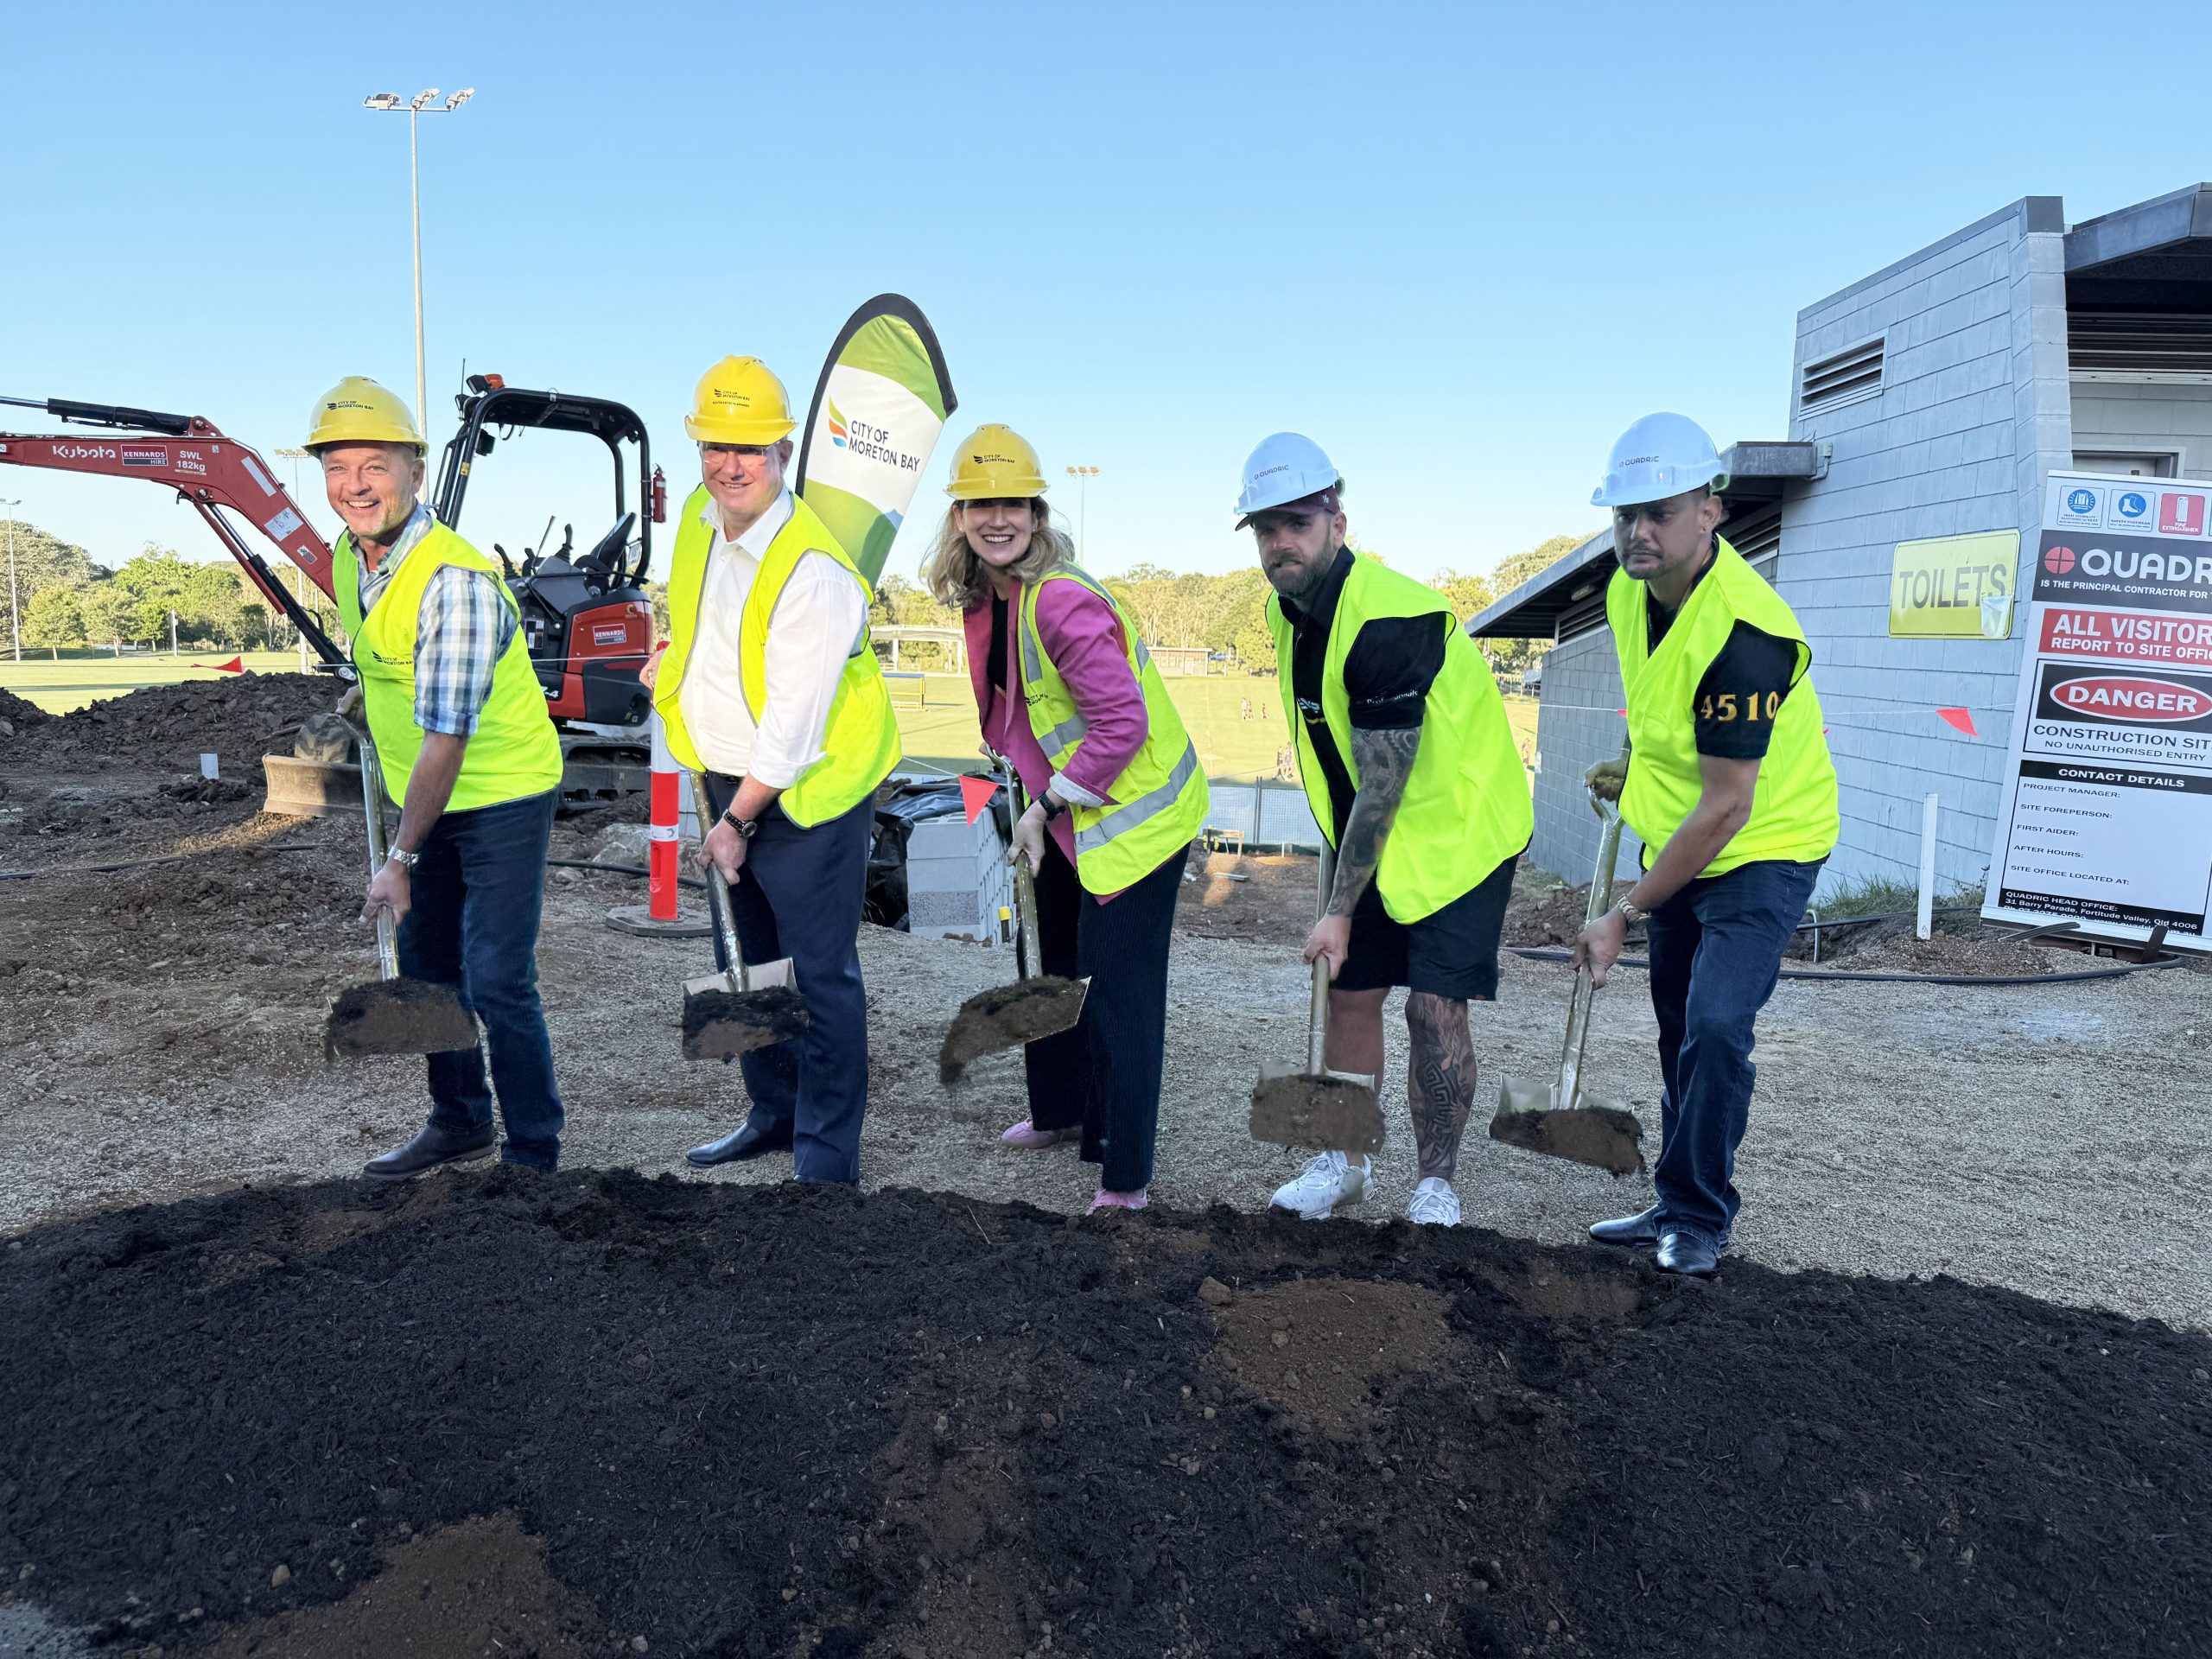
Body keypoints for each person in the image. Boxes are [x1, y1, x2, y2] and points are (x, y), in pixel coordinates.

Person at [1241, 434, 1533, 1227]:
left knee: (1432, 1009)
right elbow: (1334, 759)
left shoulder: (1389, 620)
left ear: (1337, 518)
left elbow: (1383, 782)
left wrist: (1337, 905)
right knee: (1350, 992)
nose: (1280, 544)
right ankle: (1345, 1164)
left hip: (1457, 834)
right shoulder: (1285, 611)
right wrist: (1333, 882)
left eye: (1296, 523)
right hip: (1374, 832)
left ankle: (1435, 1183)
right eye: (1265, 530)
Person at [1575, 413, 1839, 1276]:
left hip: (1764, 842)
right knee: (1676, 1028)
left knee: (1717, 1028)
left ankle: (1697, 1215)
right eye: (1625, 516)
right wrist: (1636, 770)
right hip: (1682, 834)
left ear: (1709, 511)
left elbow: (1728, 804)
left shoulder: (1745, 636)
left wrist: (1623, 911)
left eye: (1658, 512)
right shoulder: (1628, 590)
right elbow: (1666, 713)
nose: (1638, 533)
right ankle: (1671, 1198)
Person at [930, 424, 1208, 1211]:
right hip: (1061, 814)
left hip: (1133, 820)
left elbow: (1122, 724)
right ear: (958, 517)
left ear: (1038, 511)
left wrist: (1048, 803)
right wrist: (1028, 801)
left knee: (1118, 992)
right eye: (980, 504)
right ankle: (1061, 1113)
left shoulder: (1058, 599)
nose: (997, 517)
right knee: (1053, 965)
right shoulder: (992, 593)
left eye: (1013, 502)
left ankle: (1125, 1176)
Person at [642, 356, 899, 1184]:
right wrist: (672, 663)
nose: (730, 464)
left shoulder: (814, 571)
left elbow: (790, 731)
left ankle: (825, 1160)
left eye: (749, 447)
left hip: (807, 795)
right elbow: (705, 627)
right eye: (716, 445)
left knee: (819, 977)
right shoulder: (698, 515)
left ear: (783, 451)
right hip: (730, 783)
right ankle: (773, 1114)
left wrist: (735, 822)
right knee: (751, 968)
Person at [310, 376, 568, 1178]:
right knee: (427, 970)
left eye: (375, 466)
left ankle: (533, 1153)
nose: (356, 486)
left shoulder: (453, 583)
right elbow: (391, 661)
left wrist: (400, 859)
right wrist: (371, 693)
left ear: (416, 471)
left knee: (496, 979)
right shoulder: (347, 560)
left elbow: (448, 738)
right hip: (424, 791)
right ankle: (459, 1121)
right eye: (338, 467)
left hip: (498, 793)